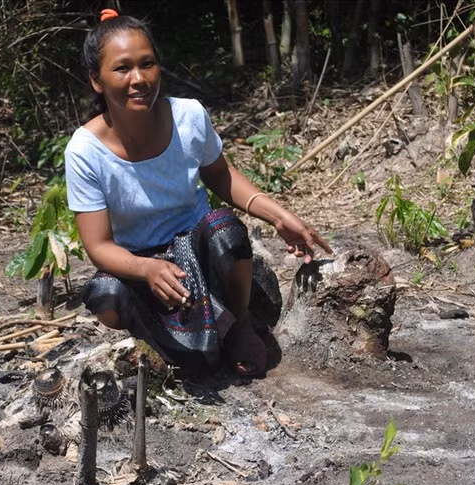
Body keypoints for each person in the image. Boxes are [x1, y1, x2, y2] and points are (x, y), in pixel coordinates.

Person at [65, 9, 332, 377]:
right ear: (97, 80)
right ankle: (174, 342)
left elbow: (221, 177)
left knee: (226, 230)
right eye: (122, 68)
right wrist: (147, 268)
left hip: (199, 248)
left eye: (148, 64)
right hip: (142, 267)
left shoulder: (188, 117)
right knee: (104, 298)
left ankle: (237, 324)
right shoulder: (84, 150)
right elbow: (98, 246)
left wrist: (278, 215)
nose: (139, 78)